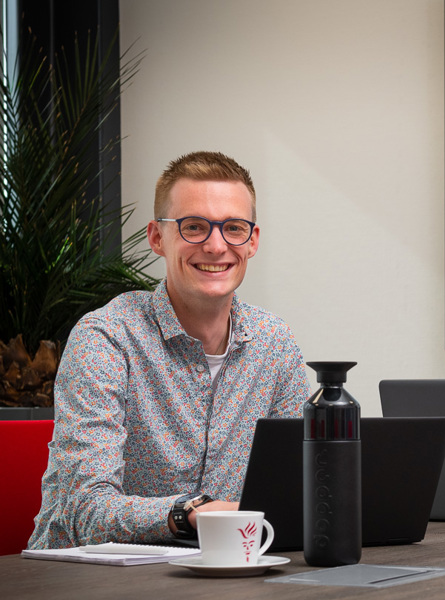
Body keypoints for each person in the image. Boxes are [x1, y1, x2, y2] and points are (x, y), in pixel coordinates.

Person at [28, 151, 310, 549]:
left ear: (252, 241)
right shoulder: (106, 339)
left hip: (223, 567)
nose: (216, 246)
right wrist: (190, 513)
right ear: (157, 237)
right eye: (194, 227)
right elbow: (82, 510)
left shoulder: (274, 344)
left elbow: (297, 486)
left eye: (233, 228)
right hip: (87, 573)